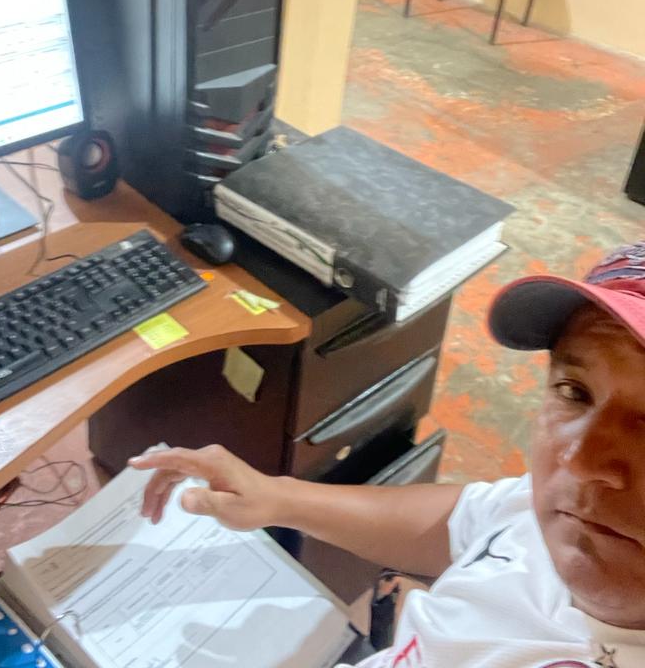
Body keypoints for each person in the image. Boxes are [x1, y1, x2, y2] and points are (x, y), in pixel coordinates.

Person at [131, 243, 645, 668]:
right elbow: (467, 521)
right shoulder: (567, 513)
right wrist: (276, 498)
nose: (580, 462)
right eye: (575, 391)